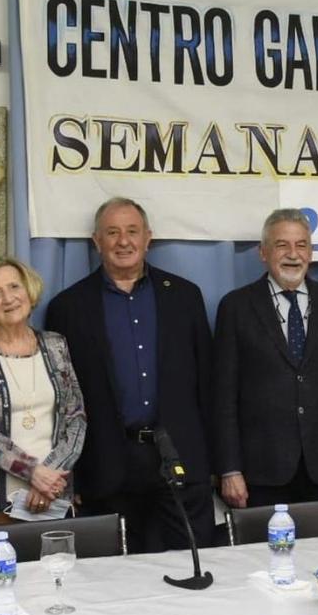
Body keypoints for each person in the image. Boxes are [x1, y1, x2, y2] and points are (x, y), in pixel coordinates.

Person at [45, 198, 215, 553]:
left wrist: (215, 463)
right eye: (112, 232)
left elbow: (207, 383)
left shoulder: (185, 297)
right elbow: (61, 403)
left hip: (179, 460)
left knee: (191, 571)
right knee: (116, 583)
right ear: (96, 241)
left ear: (148, 238)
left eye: (132, 231)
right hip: (107, 467)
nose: (124, 241)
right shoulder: (68, 307)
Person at [214, 209, 318, 508]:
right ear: (263, 252)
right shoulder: (236, 307)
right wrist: (229, 468)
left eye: (301, 245)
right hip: (261, 470)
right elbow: (223, 396)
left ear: (310, 251)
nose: (293, 254)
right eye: (282, 245)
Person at [0, 257, 85, 558]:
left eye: (14, 286)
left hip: (52, 493)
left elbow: (76, 417)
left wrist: (50, 475)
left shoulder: (56, 344)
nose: (8, 298)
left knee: (53, 586)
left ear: (29, 290)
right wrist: (32, 472)